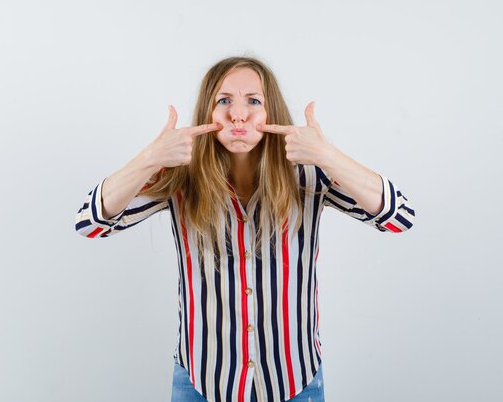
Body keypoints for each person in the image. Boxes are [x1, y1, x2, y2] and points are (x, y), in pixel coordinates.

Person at [75, 56, 415, 402]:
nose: (239, 115)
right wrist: (150, 157)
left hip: (293, 381)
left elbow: (398, 216)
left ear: (273, 112)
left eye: (254, 101)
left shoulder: (310, 174)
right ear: (208, 111)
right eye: (224, 101)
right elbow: (91, 223)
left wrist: (326, 154)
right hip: (203, 382)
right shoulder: (180, 177)